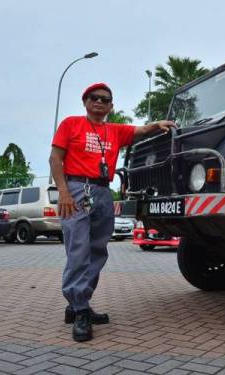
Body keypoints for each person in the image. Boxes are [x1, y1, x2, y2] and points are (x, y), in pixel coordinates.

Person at [49, 82, 176, 342]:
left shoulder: (114, 130)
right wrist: (63, 192)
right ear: (85, 102)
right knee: (78, 248)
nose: (99, 102)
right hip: (76, 188)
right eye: (93, 98)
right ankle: (80, 308)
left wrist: (158, 124)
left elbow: (140, 130)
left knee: (97, 248)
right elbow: (55, 159)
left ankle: (77, 305)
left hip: (103, 191)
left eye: (105, 99)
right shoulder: (71, 124)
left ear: (111, 106)